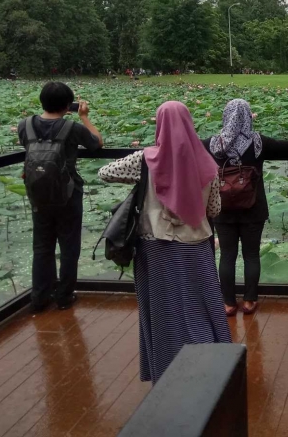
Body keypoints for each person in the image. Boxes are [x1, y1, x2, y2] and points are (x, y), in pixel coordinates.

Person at [98, 101, 231, 385]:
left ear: (159, 124)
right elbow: (215, 208)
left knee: (163, 311)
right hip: (197, 246)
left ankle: (167, 372)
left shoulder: (145, 160)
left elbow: (105, 172)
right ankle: (211, 366)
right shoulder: (208, 163)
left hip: (155, 247)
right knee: (203, 306)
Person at [203, 99, 288, 316]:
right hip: (253, 208)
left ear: (226, 117)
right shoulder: (258, 142)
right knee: (251, 255)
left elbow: (188, 151)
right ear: (247, 116)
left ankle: (228, 303)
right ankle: (250, 301)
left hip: (222, 208)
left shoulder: (212, 144)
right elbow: (287, 148)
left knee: (226, 255)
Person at [18, 82, 103, 312]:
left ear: (42, 101)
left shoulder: (24, 126)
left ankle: (39, 298)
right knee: (69, 246)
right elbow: (97, 143)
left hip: (38, 194)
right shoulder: (71, 128)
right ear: (68, 105)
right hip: (68, 195)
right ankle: (64, 297)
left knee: (42, 246)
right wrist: (84, 117)